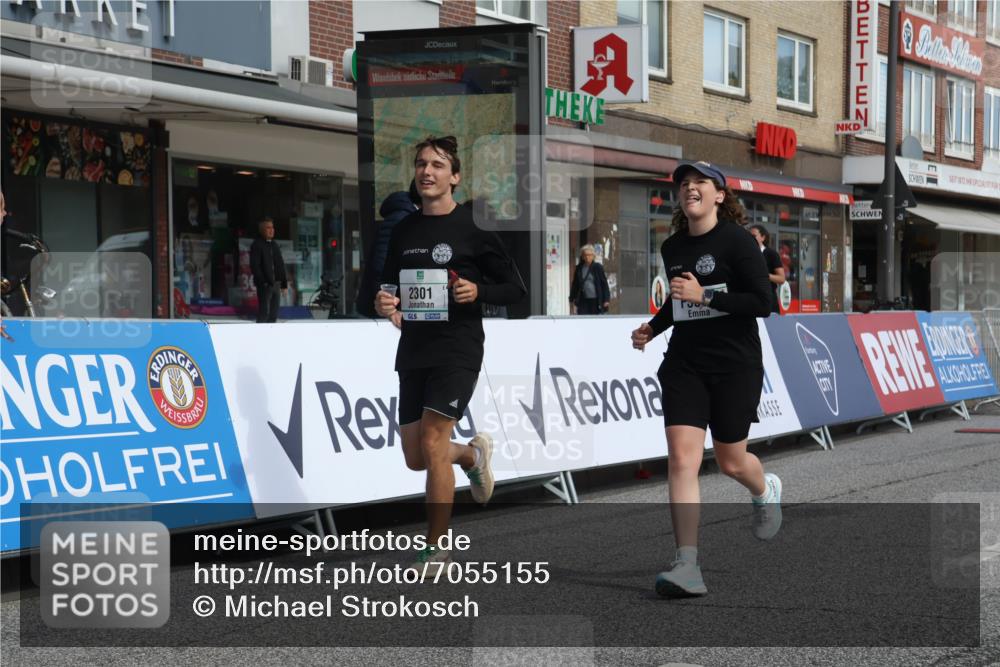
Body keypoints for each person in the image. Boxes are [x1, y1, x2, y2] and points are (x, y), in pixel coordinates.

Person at [629, 161, 782, 598]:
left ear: (719, 196)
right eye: (684, 183)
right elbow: (680, 303)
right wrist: (652, 330)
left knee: (733, 461)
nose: (690, 188)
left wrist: (707, 294)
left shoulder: (737, 240)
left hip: (735, 364)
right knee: (682, 459)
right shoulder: (673, 246)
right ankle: (687, 564)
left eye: (700, 183)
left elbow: (762, 301)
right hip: (686, 363)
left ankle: (764, 488)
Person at [375, 136, 525, 578]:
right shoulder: (403, 230)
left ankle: (436, 549)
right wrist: (388, 306)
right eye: (421, 164)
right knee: (416, 456)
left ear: (455, 177)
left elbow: (516, 290)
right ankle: (473, 458)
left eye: (438, 165)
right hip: (414, 349)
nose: (427, 171)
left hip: (458, 347)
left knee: (434, 442)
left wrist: (479, 291)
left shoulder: (474, 229)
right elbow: (387, 289)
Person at [356, 182, 419, 319]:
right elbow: (381, 265)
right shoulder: (401, 219)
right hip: (385, 313)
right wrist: (390, 309)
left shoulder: (411, 217)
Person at [249, 217, 287, 323]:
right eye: (268, 228)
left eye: (272, 227)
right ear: (262, 230)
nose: (271, 230)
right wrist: (263, 282)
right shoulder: (257, 245)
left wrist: (283, 284)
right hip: (265, 285)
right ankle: (260, 334)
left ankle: (271, 335)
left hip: (276, 284)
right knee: (264, 312)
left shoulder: (274, 245)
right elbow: (255, 266)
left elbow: (280, 264)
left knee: (274, 313)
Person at [749, 225, 785, 314]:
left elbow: (781, 279)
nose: (750, 238)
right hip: (750, 299)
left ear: (763, 237)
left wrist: (764, 275)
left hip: (768, 300)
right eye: (749, 236)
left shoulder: (771, 254)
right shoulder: (745, 254)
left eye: (754, 236)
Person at [569, 244, 610, 314]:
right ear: (582, 256)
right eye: (585, 255)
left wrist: (606, 299)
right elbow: (575, 284)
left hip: (596, 299)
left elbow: (604, 284)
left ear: (593, 256)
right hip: (583, 299)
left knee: (595, 319)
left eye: (589, 255)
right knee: (583, 318)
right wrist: (572, 298)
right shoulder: (579, 268)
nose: (587, 257)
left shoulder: (598, 267)